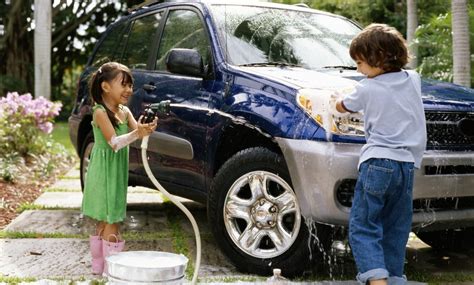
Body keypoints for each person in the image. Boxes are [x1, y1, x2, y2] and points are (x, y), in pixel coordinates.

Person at [332, 24, 427, 285]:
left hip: (378, 164)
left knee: (364, 224)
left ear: (379, 58)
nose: (358, 69)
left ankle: (376, 280)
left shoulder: (366, 88)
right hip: (406, 166)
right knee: (396, 228)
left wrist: (336, 100)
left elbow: (342, 106)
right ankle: (394, 278)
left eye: (360, 62)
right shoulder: (413, 80)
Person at [81, 62, 158, 275]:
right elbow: (114, 143)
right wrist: (137, 134)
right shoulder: (99, 113)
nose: (129, 90)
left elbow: (137, 131)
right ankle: (110, 270)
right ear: (105, 87)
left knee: (108, 218)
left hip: (116, 171)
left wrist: (147, 128)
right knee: (111, 218)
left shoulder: (124, 111)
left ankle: (99, 268)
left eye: (130, 86)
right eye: (123, 85)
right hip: (104, 171)